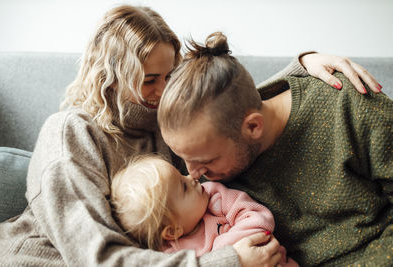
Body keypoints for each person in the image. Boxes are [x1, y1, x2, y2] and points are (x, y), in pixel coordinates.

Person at [0, 4, 382, 266]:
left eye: (170, 76)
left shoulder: (162, 127)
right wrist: (229, 261)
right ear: (109, 77)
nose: (163, 91)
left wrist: (300, 68)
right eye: (149, 80)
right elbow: (98, 257)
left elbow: (225, 108)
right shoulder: (71, 134)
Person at [157, 31, 393, 266]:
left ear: (253, 127)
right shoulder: (212, 175)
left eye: (206, 160)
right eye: (184, 159)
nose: (194, 174)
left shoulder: (346, 106)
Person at [111, 154, 299, 266]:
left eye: (181, 175)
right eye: (183, 187)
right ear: (173, 231)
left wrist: (224, 252)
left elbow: (259, 219)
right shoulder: (171, 256)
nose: (191, 177)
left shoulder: (214, 196)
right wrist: (225, 258)